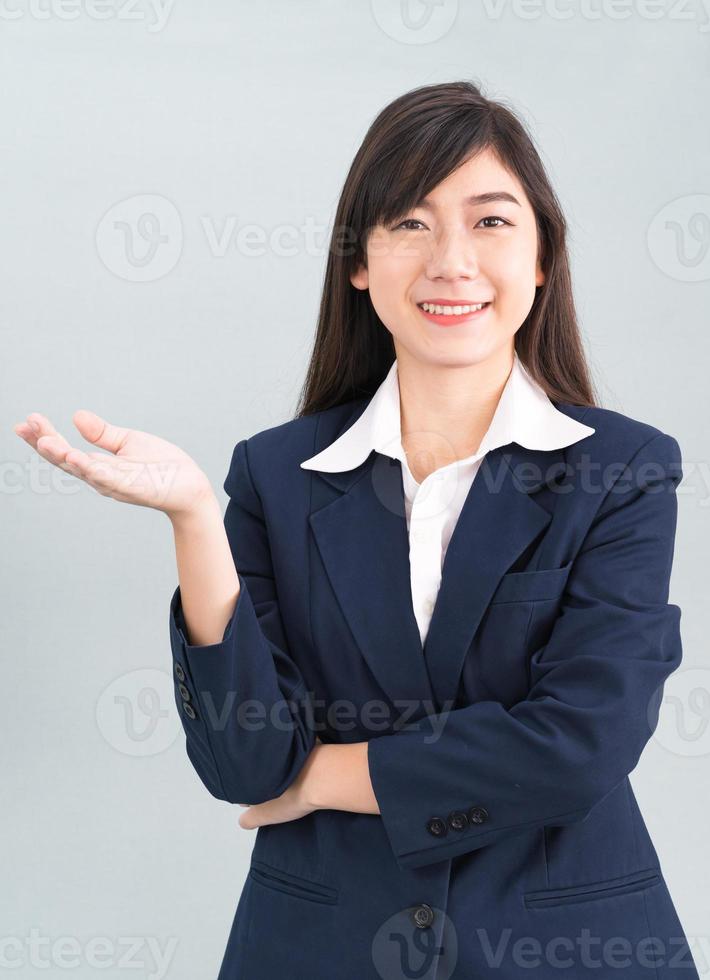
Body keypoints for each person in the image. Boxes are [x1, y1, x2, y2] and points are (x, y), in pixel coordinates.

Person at [14, 81, 699, 979]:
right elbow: (248, 764)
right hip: (319, 949)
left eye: (491, 222)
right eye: (410, 224)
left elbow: (581, 744)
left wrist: (326, 779)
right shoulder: (274, 474)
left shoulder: (623, 468)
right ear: (359, 262)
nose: (451, 260)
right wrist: (193, 522)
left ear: (542, 259)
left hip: (564, 950)